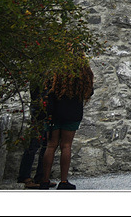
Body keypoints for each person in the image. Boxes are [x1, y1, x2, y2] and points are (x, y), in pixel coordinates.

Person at [35, 57, 95, 190]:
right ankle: (63, 181)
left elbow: (47, 90)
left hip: (54, 112)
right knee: (66, 145)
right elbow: (89, 92)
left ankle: (44, 180)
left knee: (51, 145)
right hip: (73, 112)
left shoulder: (55, 70)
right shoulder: (82, 72)